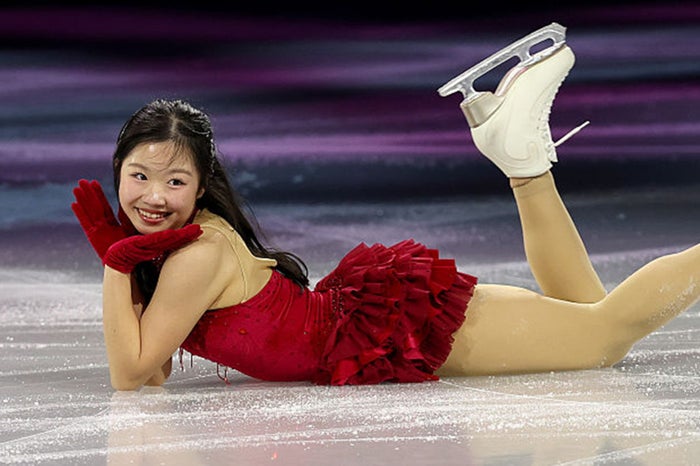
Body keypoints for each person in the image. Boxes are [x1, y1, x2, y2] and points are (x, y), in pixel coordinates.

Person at [72, 26, 700, 391]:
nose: (154, 197)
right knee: (591, 317)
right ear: (117, 171)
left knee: (602, 338)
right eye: (139, 177)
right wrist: (127, 261)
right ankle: (524, 165)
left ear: (202, 186)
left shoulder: (196, 254)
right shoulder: (173, 247)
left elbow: (131, 375)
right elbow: (154, 369)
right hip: (370, 326)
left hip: (388, 331)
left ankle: (524, 162)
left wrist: (115, 259)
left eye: (175, 181)